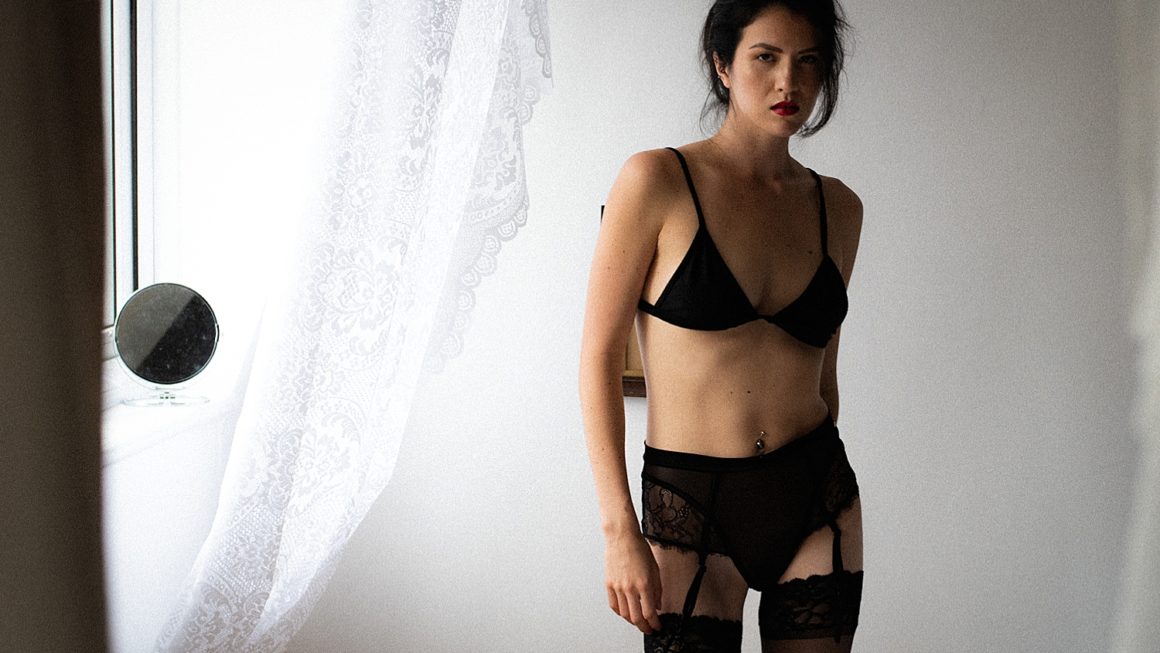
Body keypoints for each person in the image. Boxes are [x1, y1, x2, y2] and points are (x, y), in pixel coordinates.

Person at [579, 1, 864, 651]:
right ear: (723, 65)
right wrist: (619, 530)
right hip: (690, 501)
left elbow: (824, 371)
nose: (788, 82)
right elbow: (597, 358)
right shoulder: (655, 181)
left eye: (808, 61)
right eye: (766, 57)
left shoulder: (840, 208)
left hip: (815, 492)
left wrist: (818, 485)